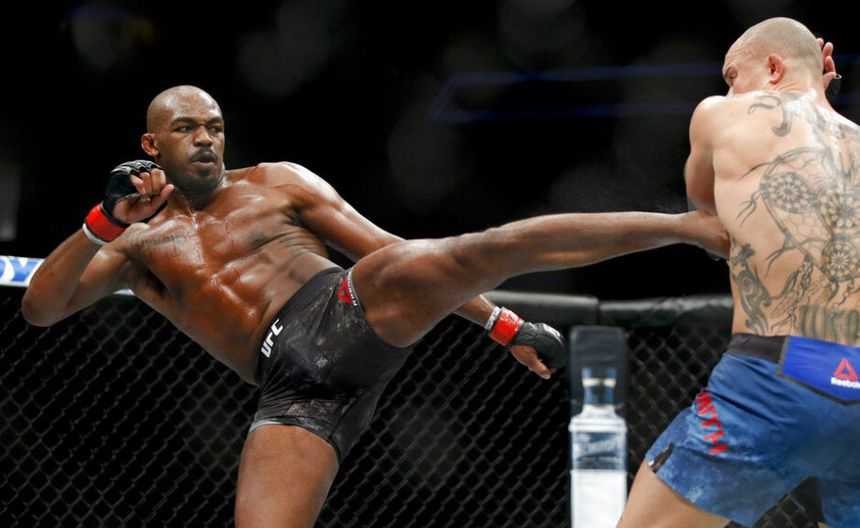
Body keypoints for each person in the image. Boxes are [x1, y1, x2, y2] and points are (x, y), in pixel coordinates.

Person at [21, 85, 727, 527]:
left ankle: (684, 226)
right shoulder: (137, 244)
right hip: (293, 395)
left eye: (215, 125)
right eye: (186, 128)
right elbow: (41, 309)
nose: (205, 138)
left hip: (344, 309)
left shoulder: (277, 183)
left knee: (483, 248)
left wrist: (503, 323)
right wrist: (103, 222)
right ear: (151, 145)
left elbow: (388, 247)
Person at [619, 18, 858, 528]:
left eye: (733, 76)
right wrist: (822, 95)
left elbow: (710, 218)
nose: (729, 90)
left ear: (772, 67)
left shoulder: (721, 113)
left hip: (777, 376)